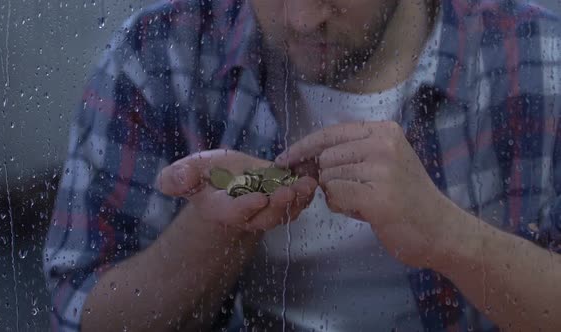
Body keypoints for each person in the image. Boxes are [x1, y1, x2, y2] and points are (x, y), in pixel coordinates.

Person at [43, 0, 561, 330]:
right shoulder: (160, 52)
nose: (301, 18)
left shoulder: (538, 57)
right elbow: (81, 312)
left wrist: (448, 236)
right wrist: (212, 233)